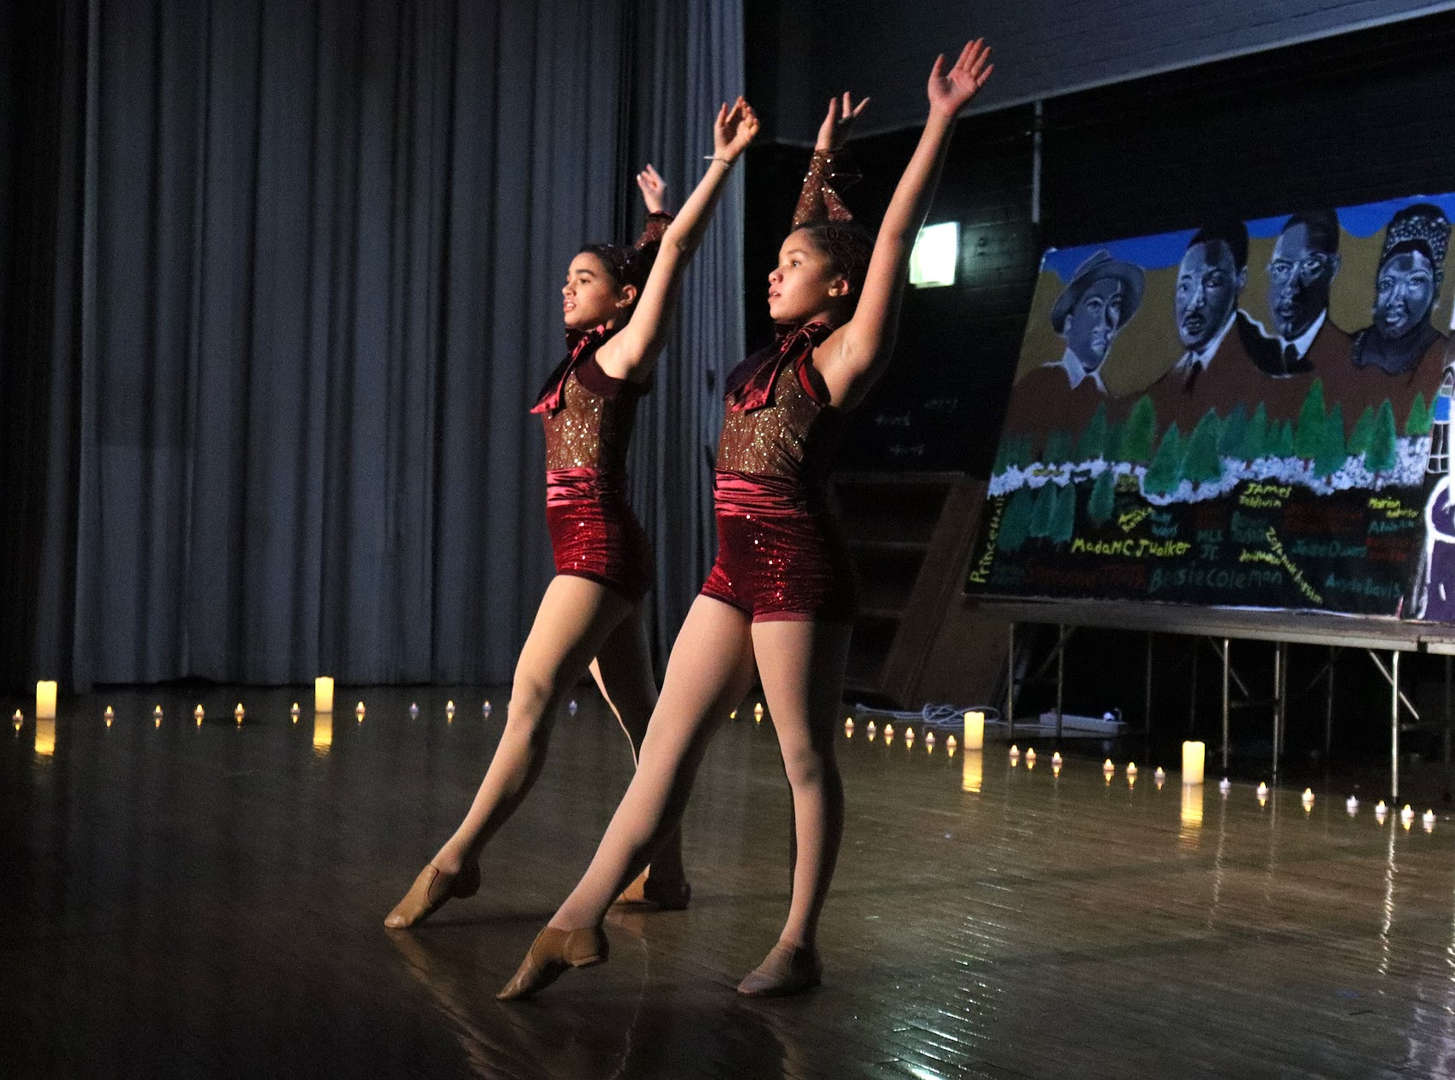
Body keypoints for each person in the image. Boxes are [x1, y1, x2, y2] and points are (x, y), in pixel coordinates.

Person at [496, 38, 995, 1001]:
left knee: (805, 759)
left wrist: (938, 119)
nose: (774, 272)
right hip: (733, 572)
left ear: (838, 288)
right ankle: (576, 920)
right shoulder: (774, 354)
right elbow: (825, 231)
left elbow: (881, 241)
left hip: (801, 575)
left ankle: (800, 944)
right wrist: (817, 157)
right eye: (774, 260)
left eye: (792, 264)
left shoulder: (845, 356)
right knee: (665, 753)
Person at [383, 100, 761, 929]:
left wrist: (719, 168)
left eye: (582, 280)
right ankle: (664, 876)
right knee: (643, 724)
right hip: (595, 551)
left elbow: (671, 264)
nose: (566, 289)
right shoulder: (584, 358)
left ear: (622, 301)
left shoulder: (624, 353)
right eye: (566, 279)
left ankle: (459, 857)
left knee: (531, 691)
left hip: (598, 551)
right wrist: (653, 218)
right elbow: (653, 254)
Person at [1144, 220, 1280, 429]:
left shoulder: (1267, 361)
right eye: (1185, 286)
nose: (1195, 301)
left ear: (1240, 281)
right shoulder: (1168, 381)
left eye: (1212, 283)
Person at [1001, 250, 1143, 446]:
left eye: (1115, 306)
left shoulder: (1110, 402)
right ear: (1069, 322)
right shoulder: (1036, 386)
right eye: (1094, 305)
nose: (1106, 322)